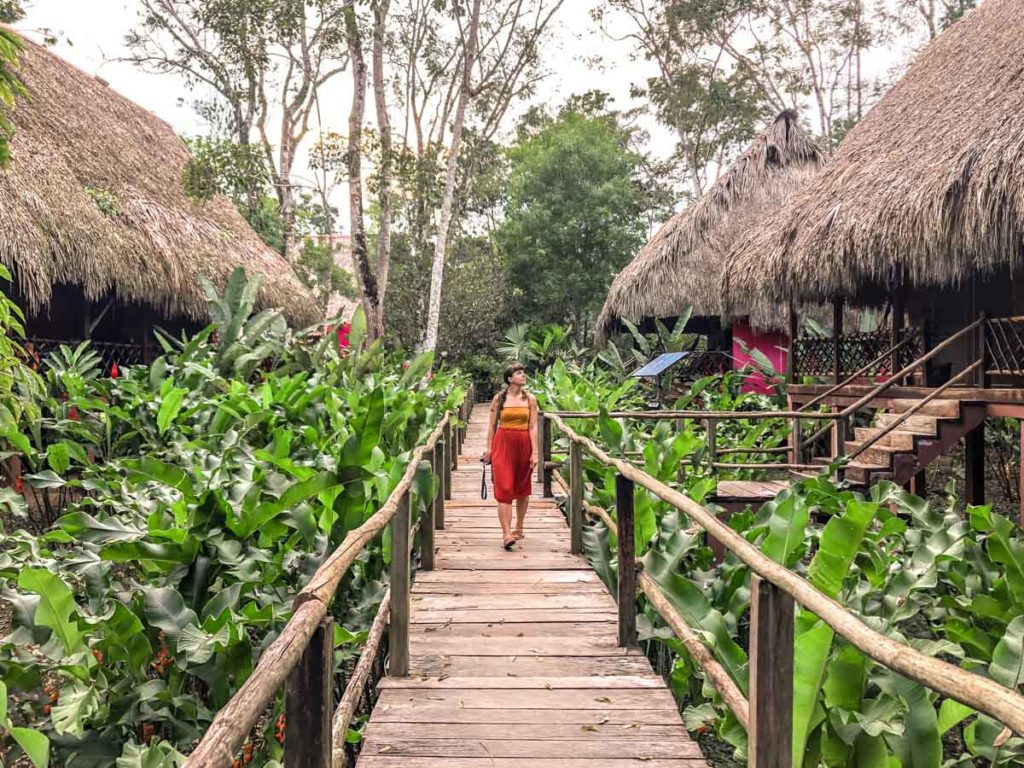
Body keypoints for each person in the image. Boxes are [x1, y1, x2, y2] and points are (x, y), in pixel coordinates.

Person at [482, 362, 539, 550]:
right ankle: (506, 534)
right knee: (504, 487)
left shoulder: (530, 399)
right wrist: (488, 449)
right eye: (519, 373)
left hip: (523, 444)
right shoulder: (499, 399)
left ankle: (519, 526)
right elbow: (491, 426)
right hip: (503, 442)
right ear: (509, 379)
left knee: (522, 486)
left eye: (523, 372)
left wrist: (535, 452)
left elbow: (533, 426)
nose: (523, 375)